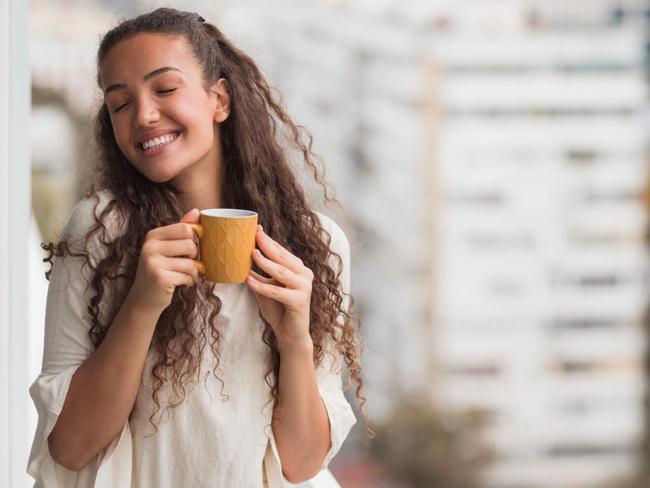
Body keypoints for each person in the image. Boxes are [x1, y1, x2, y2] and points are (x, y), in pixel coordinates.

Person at [27, 8, 365, 487]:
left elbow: (302, 464)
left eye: (165, 89)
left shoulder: (316, 245)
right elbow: (70, 446)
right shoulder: (101, 230)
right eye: (119, 103)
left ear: (219, 99)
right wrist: (142, 302)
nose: (143, 114)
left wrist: (294, 338)